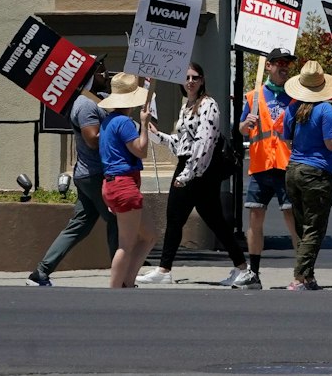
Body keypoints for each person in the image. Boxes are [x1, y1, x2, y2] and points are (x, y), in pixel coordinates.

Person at [140, 62, 250, 287]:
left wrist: (188, 174)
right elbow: (181, 144)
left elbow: (205, 143)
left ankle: (164, 269)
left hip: (197, 170)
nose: (190, 81)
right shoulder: (187, 106)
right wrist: (156, 135)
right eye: (187, 77)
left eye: (195, 77)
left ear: (202, 80)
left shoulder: (208, 105)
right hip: (192, 167)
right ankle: (243, 269)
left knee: (175, 217)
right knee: (215, 220)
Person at [30, 66, 120, 287]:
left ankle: (41, 272)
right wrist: (120, 131)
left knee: (80, 223)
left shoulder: (97, 100)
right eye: (101, 72)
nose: (106, 75)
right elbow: (92, 139)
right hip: (95, 174)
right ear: (89, 78)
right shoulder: (85, 105)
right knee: (117, 219)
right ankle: (122, 274)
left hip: (87, 173)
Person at [282, 59, 332, 291]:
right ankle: (299, 276)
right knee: (315, 227)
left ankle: (308, 276)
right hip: (316, 172)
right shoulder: (325, 109)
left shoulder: (292, 108)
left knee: (303, 225)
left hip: (293, 169)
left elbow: (286, 138)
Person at [237, 49, 300, 289]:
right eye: (280, 63)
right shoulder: (253, 96)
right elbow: (242, 129)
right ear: (270, 66)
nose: (284, 67)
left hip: (286, 165)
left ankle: (301, 271)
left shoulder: (295, 97)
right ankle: (253, 272)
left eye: (288, 64)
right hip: (261, 165)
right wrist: (245, 124)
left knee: (292, 217)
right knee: (255, 218)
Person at [97, 73, 157, 288]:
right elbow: (140, 151)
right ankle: (114, 289)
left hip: (113, 185)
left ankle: (127, 283)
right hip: (124, 185)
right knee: (126, 244)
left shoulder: (108, 122)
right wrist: (144, 124)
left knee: (149, 236)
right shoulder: (124, 122)